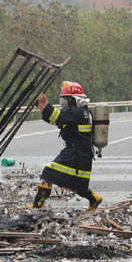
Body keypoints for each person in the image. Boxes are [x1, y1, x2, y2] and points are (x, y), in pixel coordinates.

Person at [29, 81, 102, 211]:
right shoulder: (81, 112)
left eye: (65, 100)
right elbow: (59, 121)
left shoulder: (76, 112)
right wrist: (44, 109)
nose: (63, 103)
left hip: (76, 154)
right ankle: (94, 198)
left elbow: (59, 117)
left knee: (48, 172)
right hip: (82, 155)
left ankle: (38, 205)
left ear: (73, 100)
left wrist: (46, 104)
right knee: (77, 186)